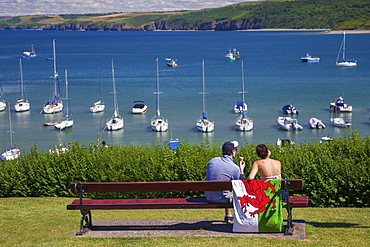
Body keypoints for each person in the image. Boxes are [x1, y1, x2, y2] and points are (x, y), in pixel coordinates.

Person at [205, 141, 245, 223]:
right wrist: (241, 171)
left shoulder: (212, 161)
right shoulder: (235, 168)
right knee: (234, 193)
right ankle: (241, 219)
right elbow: (240, 186)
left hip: (209, 196)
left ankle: (228, 215)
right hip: (222, 199)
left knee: (226, 189)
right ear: (233, 151)